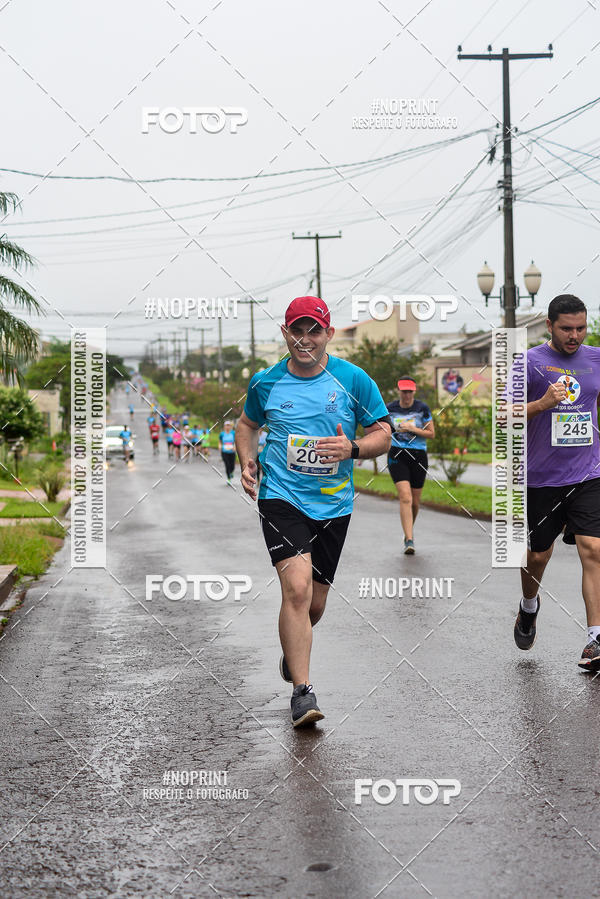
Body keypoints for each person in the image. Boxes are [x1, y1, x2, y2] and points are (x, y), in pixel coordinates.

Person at [236, 296, 391, 728]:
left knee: (315, 605)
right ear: (285, 333)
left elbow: (383, 434)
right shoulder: (265, 382)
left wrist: (354, 448)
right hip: (281, 497)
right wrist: (247, 461)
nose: (305, 339)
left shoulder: (353, 380)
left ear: (329, 333)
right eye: (297, 330)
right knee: (298, 590)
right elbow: (247, 424)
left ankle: (293, 652)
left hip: (335, 503)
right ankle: (302, 693)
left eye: (314, 330)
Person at [513, 294, 600, 671]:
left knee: (593, 549)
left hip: (588, 473)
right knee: (538, 555)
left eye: (581, 328)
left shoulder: (596, 359)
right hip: (543, 479)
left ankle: (595, 639)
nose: (575, 335)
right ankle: (529, 607)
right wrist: (542, 403)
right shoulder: (528, 363)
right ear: (549, 326)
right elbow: (503, 415)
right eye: (567, 328)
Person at [386, 376, 435, 555]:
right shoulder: (390, 408)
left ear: (414, 391)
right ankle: (409, 539)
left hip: (418, 456)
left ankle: (408, 531)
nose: (406, 395)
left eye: (409, 391)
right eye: (403, 391)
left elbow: (431, 434)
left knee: (415, 502)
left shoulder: (422, 408)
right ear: (398, 391)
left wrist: (412, 429)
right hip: (397, 454)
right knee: (405, 497)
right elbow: (382, 429)